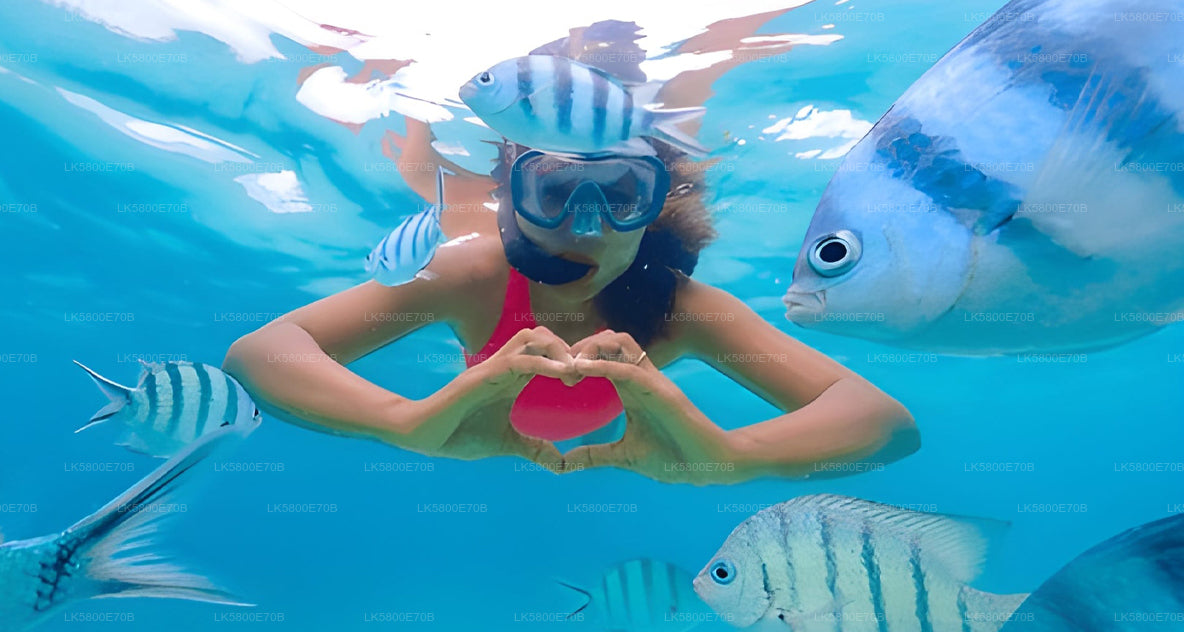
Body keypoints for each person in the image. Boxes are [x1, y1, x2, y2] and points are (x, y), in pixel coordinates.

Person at [223, 128, 920, 484]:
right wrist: (401, 421)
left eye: (620, 196)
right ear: (510, 201)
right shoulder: (473, 272)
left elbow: (884, 423)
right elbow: (260, 354)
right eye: (553, 193)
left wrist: (733, 455)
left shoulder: (682, 307)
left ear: (654, 208)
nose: (586, 229)